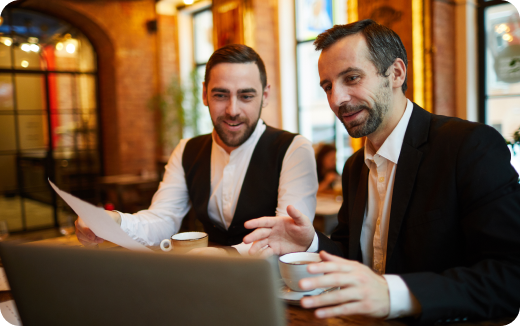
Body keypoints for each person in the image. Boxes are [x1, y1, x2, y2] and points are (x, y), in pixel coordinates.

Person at [243, 20, 520, 323]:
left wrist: (392, 293)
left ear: (396, 73)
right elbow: (353, 261)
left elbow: (510, 274)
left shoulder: (467, 146)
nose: (336, 100)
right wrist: (311, 243)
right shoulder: (354, 168)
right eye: (327, 86)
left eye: (352, 77)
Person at [75, 44, 318, 254]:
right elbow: (163, 219)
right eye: (221, 95)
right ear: (204, 94)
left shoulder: (293, 149)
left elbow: (286, 236)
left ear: (265, 96)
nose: (233, 110)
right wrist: (114, 220)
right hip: (206, 279)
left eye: (246, 96)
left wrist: (227, 256)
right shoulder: (186, 150)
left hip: (273, 286)